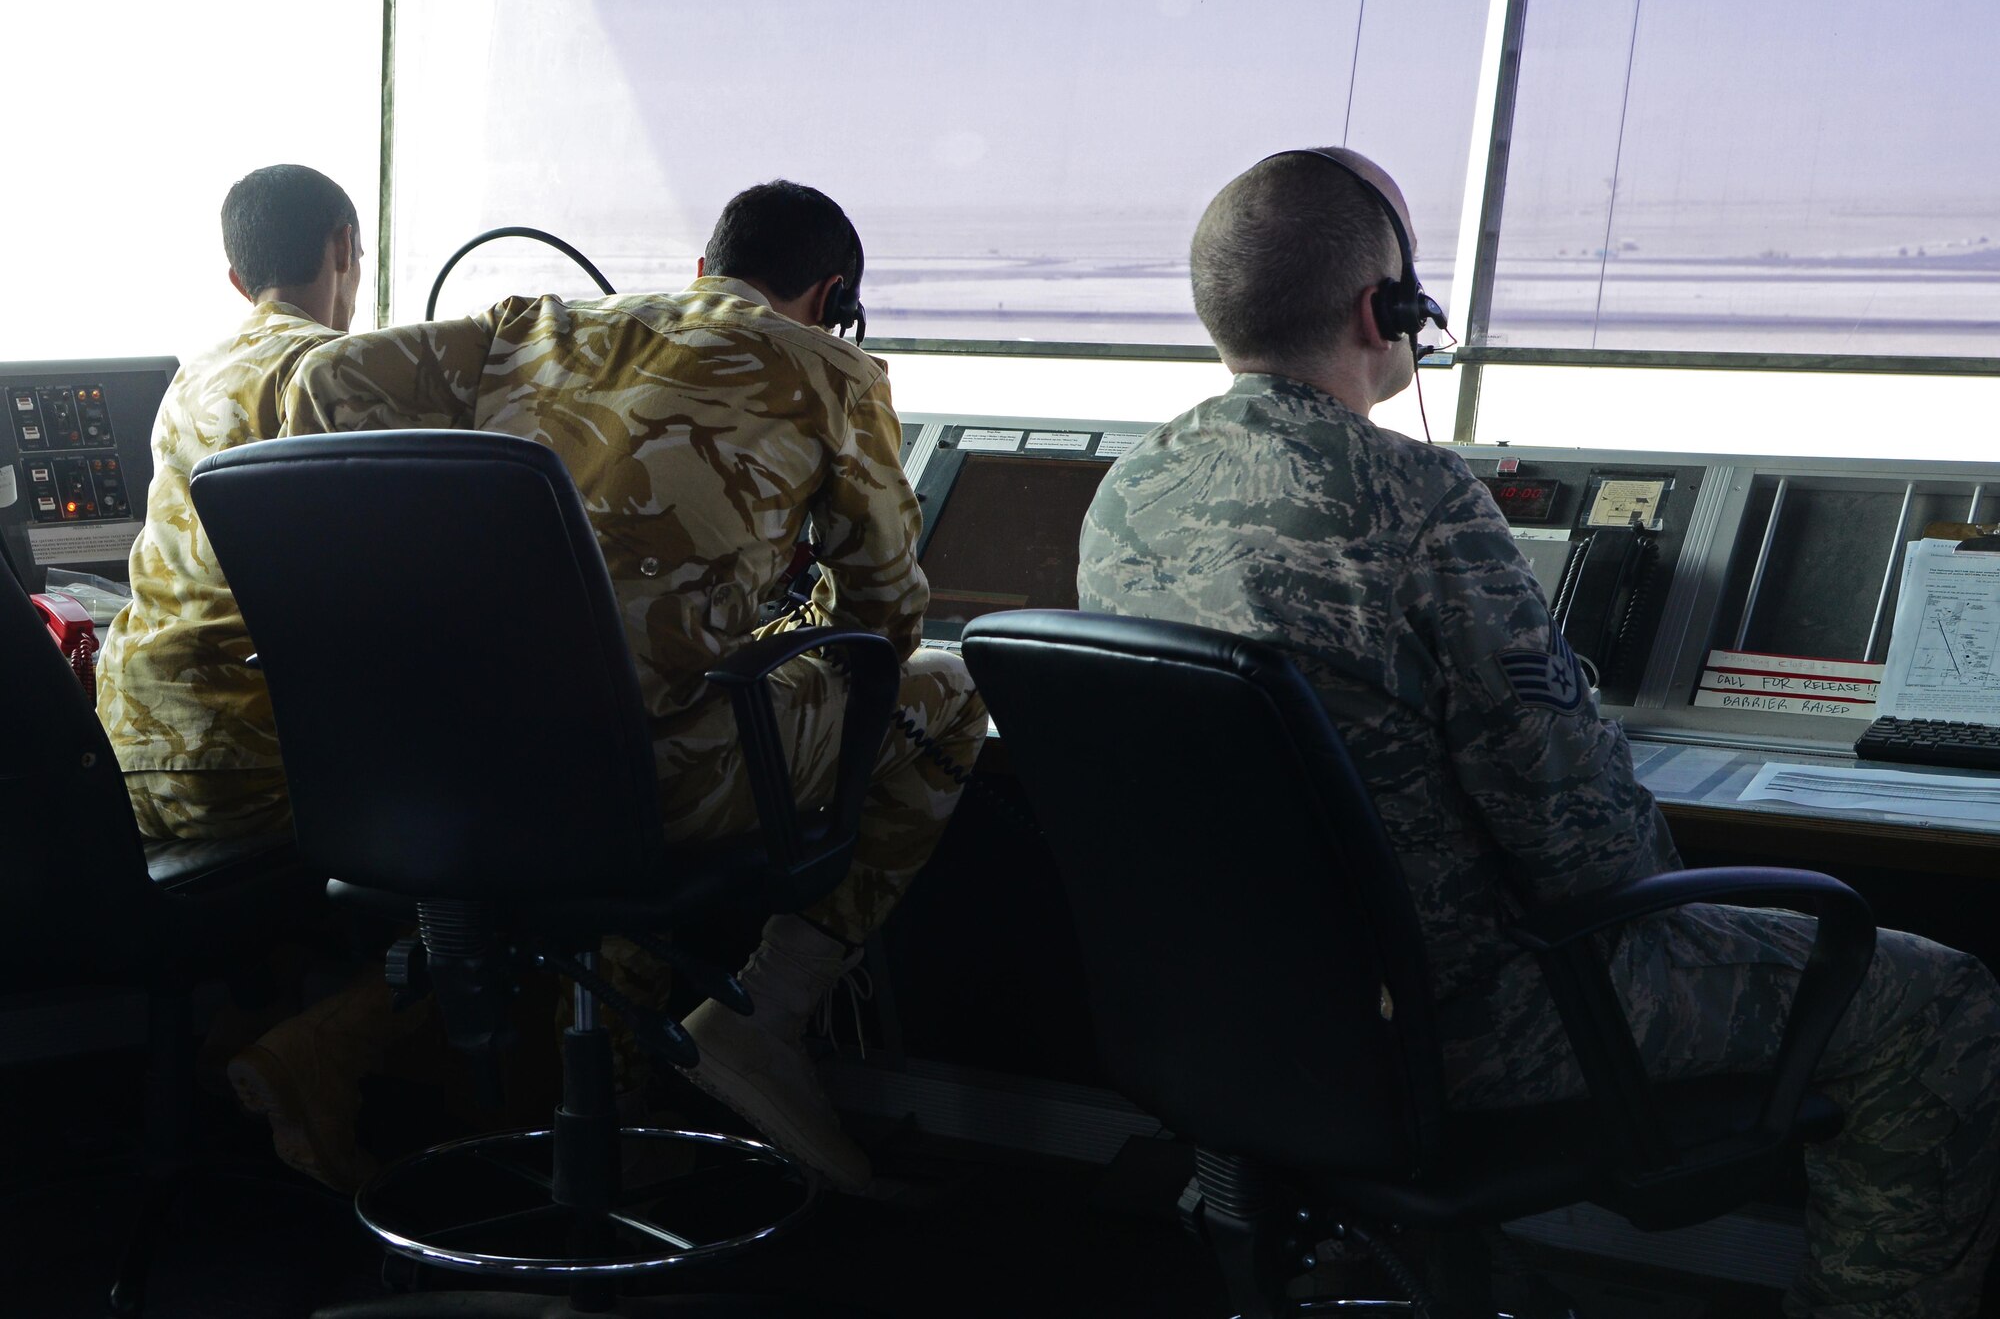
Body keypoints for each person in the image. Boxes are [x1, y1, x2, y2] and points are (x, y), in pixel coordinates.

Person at [1074, 147, 2000, 1317]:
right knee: (1939, 999)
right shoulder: (1416, 495)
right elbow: (1590, 848)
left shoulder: (1126, 489)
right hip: (1460, 1030)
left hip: (1240, 1020)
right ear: (1386, 307)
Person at [268, 179, 987, 1192]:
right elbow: (885, 621)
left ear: (702, 270)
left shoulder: (529, 326)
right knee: (947, 690)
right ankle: (764, 1020)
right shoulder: (831, 369)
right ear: (830, 295)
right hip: (652, 781)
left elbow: (332, 376)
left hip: (455, 766)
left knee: (638, 752)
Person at [97, 163, 365, 840]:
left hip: (125, 752)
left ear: (239, 283)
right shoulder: (340, 371)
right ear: (343, 247)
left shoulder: (190, 377)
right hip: (251, 768)